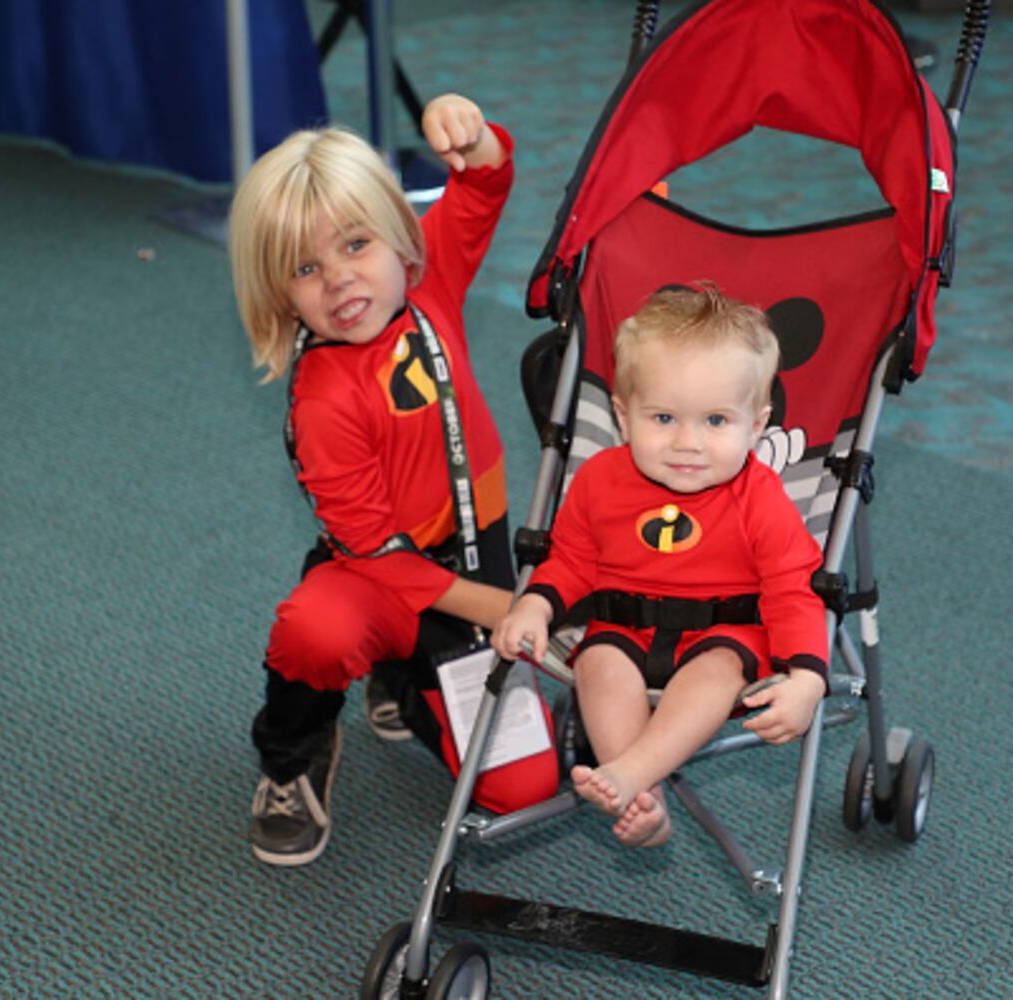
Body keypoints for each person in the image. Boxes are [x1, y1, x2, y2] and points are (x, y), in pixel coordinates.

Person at [229, 94, 557, 867]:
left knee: (521, 789)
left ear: (400, 236)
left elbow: (485, 182)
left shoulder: (426, 276)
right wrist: (513, 609)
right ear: (279, 291)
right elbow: (379, 556)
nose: (340, 279)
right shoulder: (321, 401)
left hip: (473, 555)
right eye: (305, 268)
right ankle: (294, 755)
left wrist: (470, 130)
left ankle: (406, 675)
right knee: (316, 630)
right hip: (381, 576)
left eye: (355, 244)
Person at [491, 285, 828, 847]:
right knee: (597, 662)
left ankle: (629, 776)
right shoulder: (599, 480)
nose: (687, 443)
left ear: (756, 425)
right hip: (622, 626)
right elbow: (571, 559)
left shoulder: (761, 499)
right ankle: (646, 805)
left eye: (716, 421)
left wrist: (808, 678)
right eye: (665, 417)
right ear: (624, 418)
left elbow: (794, 591)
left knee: (714, 673)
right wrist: (536, 604)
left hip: (725, 635)